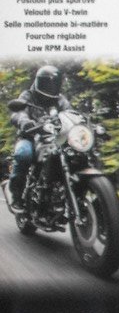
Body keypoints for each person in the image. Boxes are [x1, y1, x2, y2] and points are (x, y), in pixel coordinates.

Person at [8, 63, 70, 208]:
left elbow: (70, 113)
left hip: (56, 138)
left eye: (54, 84)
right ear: (39, 82)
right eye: (47, 84)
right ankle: (17, 195)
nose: (50, 87)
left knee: (75, 153)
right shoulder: (28, 96)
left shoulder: (60, 99)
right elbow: (18, 113)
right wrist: (24, 122)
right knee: (23, 154)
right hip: (30, 137)